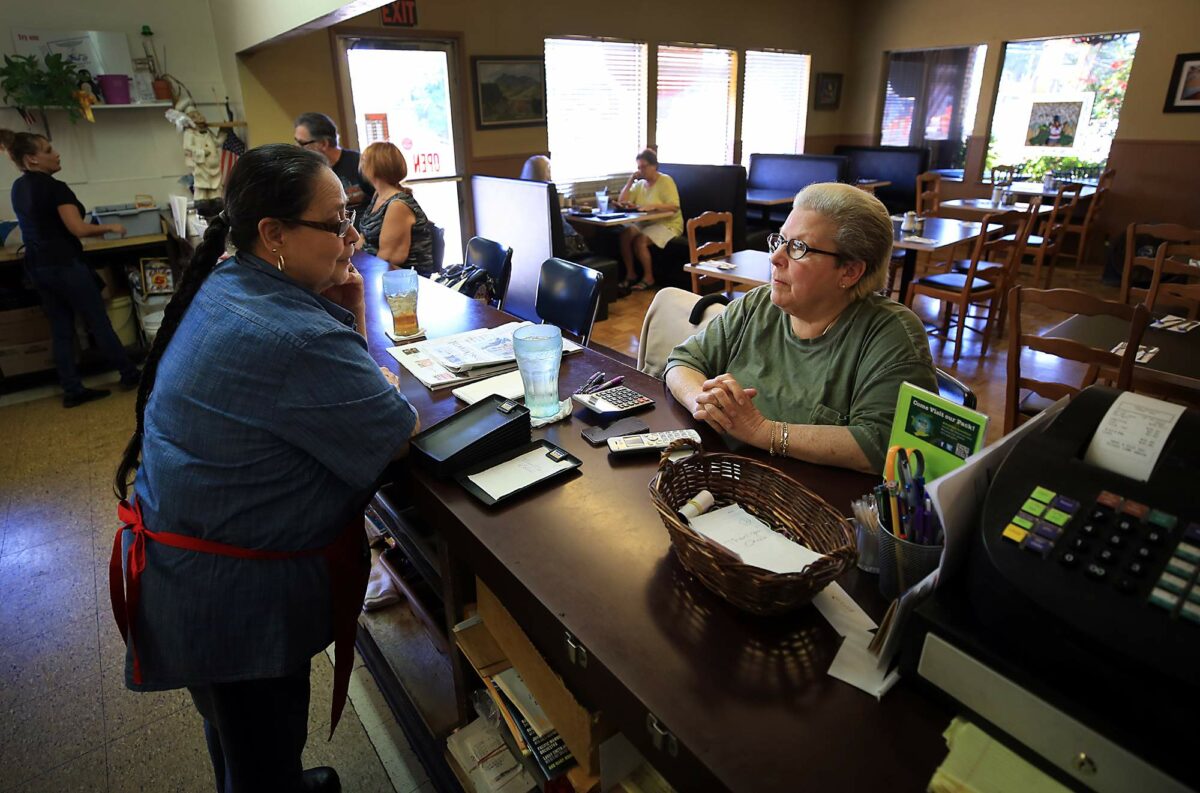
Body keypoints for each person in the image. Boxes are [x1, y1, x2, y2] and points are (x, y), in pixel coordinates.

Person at [109, 143, 420, 793]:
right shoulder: (292, 330)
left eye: (350, 217)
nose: (350, 236)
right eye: (334, 222)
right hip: (232, 593)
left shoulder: (229, 279)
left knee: (237, 732)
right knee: (261, 747)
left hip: (188, 566)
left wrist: (349, 314)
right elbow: (394, 430)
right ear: (272, 233)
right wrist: (358, 332)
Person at [664, 183, 937, 475]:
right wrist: (702, 402)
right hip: (723, 478)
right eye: (780, 240)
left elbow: (885, 445)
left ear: (850, 272)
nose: (775, 257)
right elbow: (683, 361)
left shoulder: (891, 335)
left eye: (798, 248)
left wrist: (762, 431)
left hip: (808, 506)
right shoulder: (758, 304)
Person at [1, 128, 140, 407]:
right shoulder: (55, 188)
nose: (56, 153)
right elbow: (76, 228)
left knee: (61, 328)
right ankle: (129, 374)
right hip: (65, 265)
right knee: (98, 321)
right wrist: (110, 226)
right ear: (32, 160)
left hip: (38, 267)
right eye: (48, 150)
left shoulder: (18, 188)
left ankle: (72, 389)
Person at [357, 141, 436, 275]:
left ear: (375, 167)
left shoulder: (397, 205)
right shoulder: (378, 195)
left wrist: (360, 272)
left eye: (364, 160)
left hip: (404, 280)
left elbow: (390, 258)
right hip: (378, 270)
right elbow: (363, 236)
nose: (361, 165)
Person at [615, 148, 682, 291]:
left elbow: (674, 206)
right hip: (645, 222)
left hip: (668, 223)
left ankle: (648, 277)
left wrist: (651, 206)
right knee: (625, 235)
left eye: (644, 167)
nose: (641, 170)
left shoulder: (665, 181)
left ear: (654, 166)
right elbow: (622, 201)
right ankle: (631, 274)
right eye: (639, 167)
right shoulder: (640, 185)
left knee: (640, 240)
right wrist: (631, 180)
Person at [294, 112, 374, 217]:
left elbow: (383, 201)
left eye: (302, 143)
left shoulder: (361, 163)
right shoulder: (308, 172)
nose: (297, 148)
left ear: (323, 144)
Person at [520, 154, 589, 258]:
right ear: (547, 172)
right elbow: (567, 232)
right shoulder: (547, 197)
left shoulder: (521, 198)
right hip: (567, 254)